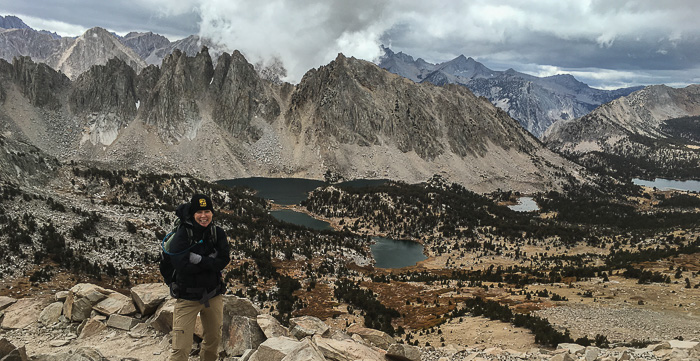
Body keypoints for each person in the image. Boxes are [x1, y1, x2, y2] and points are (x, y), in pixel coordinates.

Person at [169, 193, 230, 361]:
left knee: (213, 340)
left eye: (207, 211)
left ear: (212, 213)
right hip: (187, 297)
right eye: (199, 212)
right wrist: (210, 262)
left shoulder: (217, 233)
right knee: (180, 347)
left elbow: (224, 260)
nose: (203, 216)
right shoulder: (183, 234)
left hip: (213, 295)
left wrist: (198, 259)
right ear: (193, 214)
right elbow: (180, 265)